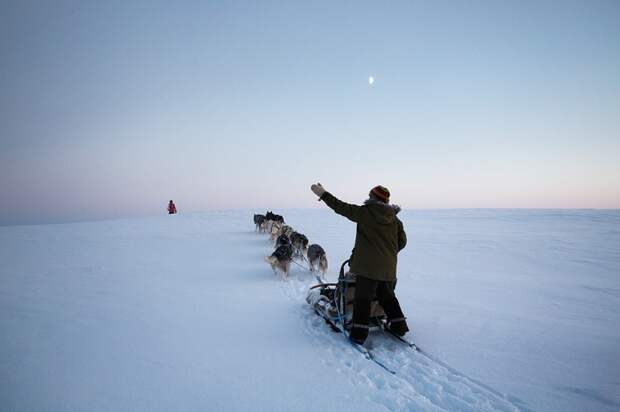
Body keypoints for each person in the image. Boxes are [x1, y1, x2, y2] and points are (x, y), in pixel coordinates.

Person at [310, 183, 409, 344]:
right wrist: (386, 253)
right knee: (387, 297)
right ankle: (400, 327)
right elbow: (402, 242)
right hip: (389, 268)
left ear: (372, 198)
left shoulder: (366, 212)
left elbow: (341, 207)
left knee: (362, 299)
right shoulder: (395, 219)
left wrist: (323, 194)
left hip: (367, 268)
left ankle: (358, 335)